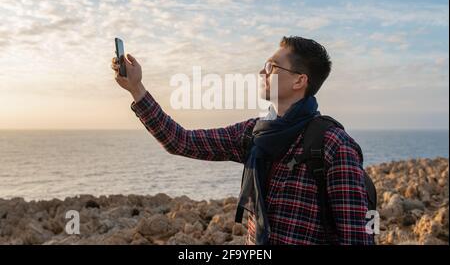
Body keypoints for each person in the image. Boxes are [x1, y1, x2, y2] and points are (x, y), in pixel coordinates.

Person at [111, 36, 374, 245]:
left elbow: (357, 238)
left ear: (299, 80)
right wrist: (136, 88)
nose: (262, 71)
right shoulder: (254, 133)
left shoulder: (334, 145)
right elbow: (181, 141)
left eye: (271, 66)